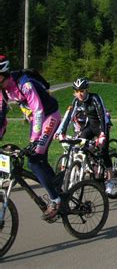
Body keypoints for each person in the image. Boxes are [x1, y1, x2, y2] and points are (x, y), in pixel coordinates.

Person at [0, 55, 62, 220]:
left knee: (34, 160)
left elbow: (39, 110)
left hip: (49, 115)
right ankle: (58, 186)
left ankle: (55, 200)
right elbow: (1, 117)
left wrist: (34, 139)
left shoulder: (24, 84)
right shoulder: (3, 91)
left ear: (4, 73)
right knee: (39, 159)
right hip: (36, 120)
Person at [56, 78, 114, 194]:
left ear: (86, 90)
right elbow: (69, 116)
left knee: (103, 152)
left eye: (82, 91)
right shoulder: (77, 101)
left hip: (102, 126)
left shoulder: (95, 98)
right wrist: (61, 132)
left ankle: (110, 180)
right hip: (90, 126)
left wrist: (102, 134)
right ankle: (90, 164)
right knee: (79, 144)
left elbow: (102, 115)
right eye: (76, 91)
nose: (79, 94)